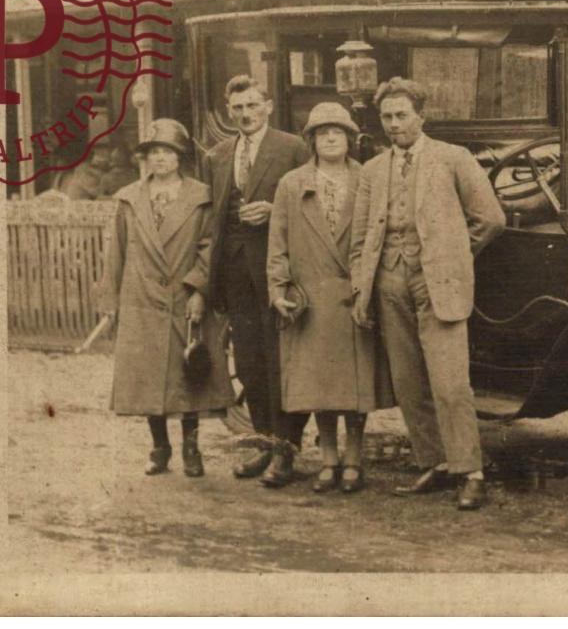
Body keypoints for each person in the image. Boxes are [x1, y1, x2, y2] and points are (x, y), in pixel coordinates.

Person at [350, 77, 506, 511]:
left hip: (439, 282)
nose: (395, 124)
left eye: (402, 115)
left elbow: (490, 219)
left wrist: (451, 253)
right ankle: (435, 462)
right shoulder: (373, 170)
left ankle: (470, 471)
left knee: (451, 383)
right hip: (388, 282)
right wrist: (364, 286)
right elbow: (360, 238)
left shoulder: (452, 159)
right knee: (408, 381)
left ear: (421, 116)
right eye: (387, 117)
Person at [267, 102, 395, 494]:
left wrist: (368, 290)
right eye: (322, 133)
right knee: (321, 386)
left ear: (351, 138)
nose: (330, 138)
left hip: (356, 297)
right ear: (311, 141)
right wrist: (278, 288)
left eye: (337, 131)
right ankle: (328, 460)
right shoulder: (292, 184)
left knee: (354, 390)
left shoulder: (369, 178)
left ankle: (354, 460)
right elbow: (278, 243)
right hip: (311, 299)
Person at [100, 119, 234, 477]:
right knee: (147, 375)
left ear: (180, 157)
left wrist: (198, 291)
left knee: (188, 374)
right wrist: (110, 303)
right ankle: (159, 447)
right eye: (153, 152)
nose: (160, 159)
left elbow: (209, 248)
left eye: (168, 152)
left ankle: (191, 447)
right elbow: (117, 251)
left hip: (183, 297)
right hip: (140, 299)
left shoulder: (200, 196)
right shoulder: (129, 198)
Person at [200, 74, 312, 487]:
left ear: (267, 106)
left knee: (282, 359)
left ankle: (287, 451)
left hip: (278, 268)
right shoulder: (218, 155)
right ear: (230, 112)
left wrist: (275, 210)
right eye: (238, 108)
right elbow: (214, 217)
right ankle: (264, 445)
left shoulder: (292, 147)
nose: (245, 114)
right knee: (249, 361)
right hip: (234, 272)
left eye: (252, 105)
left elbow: (310, 205)